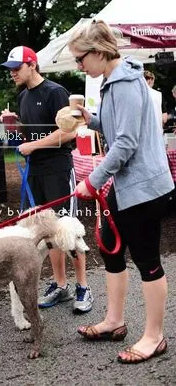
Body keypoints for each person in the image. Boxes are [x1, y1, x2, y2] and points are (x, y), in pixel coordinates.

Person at [68, 20, 174, 363]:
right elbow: (122, 125)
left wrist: (93, 181)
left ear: (98, 52)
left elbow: (126, 142)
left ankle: (155, 337)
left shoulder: (125, 82)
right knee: (111, 250)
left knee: (147, 261)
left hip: (143, 188)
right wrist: (93, 118)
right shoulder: (114, 81)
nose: (79, 65)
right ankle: (114, 322)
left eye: (80, 58)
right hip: (127, 186)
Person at [1, 45, 94, 313]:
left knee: (67, 228)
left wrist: (33, 146)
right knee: (47, 232)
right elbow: (30, 134)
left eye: (16, 68)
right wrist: (14, 126)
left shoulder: (56, 92)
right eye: (10, 70)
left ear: (32, 64)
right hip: (36, 171)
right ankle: (61, 285)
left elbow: (71, 132)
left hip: (58, 169)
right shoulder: (22, 97)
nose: (12, 74)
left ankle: (83, 287)